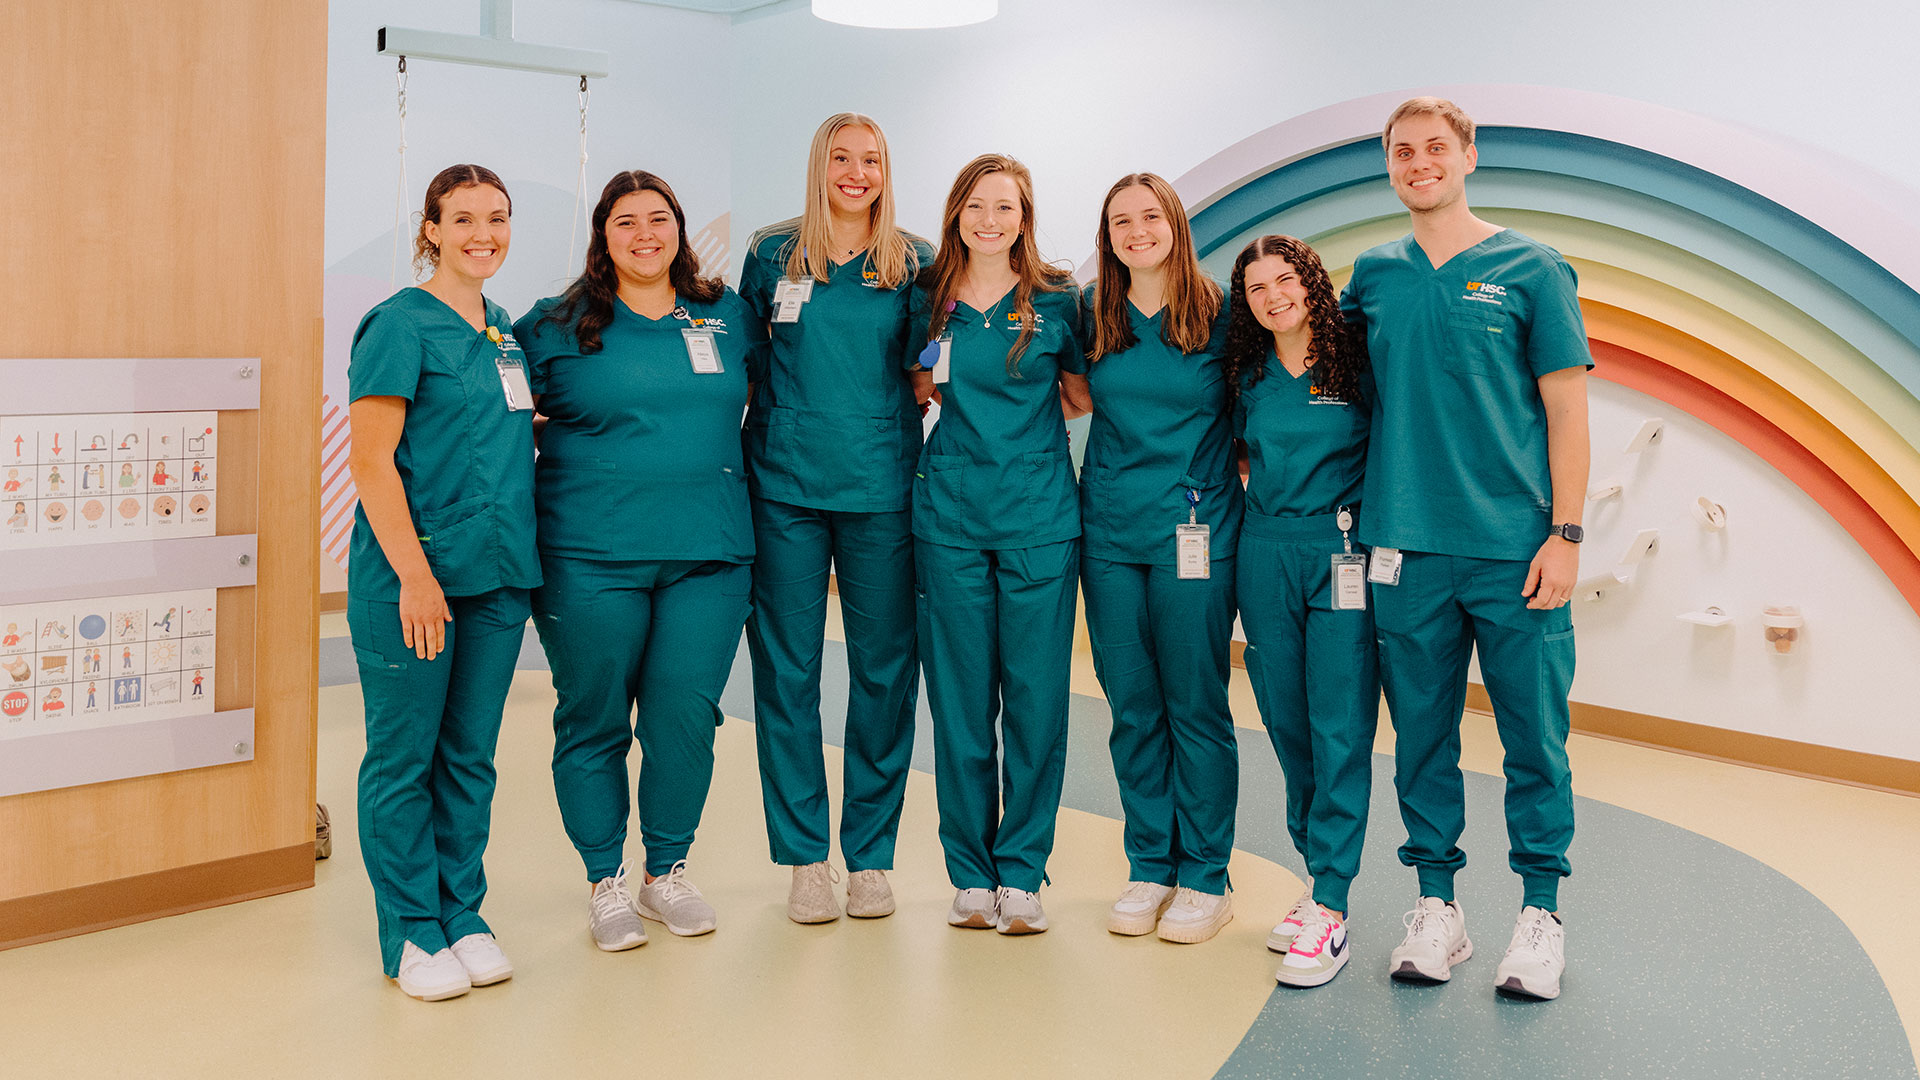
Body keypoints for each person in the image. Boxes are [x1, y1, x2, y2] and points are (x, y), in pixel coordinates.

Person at [1342, 97, 1591, 1000]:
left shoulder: (1531, 267)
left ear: (1469, 155)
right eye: (1403, 152)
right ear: (1391, 164)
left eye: (1435, 148)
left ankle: (1540, 913)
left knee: (1535, 738)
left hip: (1513, 550)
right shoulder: (1373, 275)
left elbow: (1566, 408)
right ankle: (1437, 907)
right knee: (1419, 738)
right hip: (1403, 547)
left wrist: (1565, 535)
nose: (1419, 163)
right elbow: (1336, 393)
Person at [516, 170, 760, 953]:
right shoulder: (553, 326)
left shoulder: (727, 316)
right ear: (603, 236)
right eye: (627, 222)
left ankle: (666, 873)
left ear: (680, 230)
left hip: (710, 555)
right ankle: (604, 882)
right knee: (593, 720)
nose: (646, 234)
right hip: (590, 556)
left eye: (660, 219)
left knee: (684, 719)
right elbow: (491, 429)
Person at [345, 163, 538, 1002]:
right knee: (404, 758)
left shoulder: (502, 331)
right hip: (413, 581)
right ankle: (412, 933)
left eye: (496, 218)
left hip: (495, 579)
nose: (482, 235)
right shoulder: (397, 324)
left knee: (470, 758)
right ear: (430, 229)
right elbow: (371, 464)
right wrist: (416, 578)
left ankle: (463, 914)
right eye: (462, 219)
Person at [738, 114, 931, 924]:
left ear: (888, 171)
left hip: (881, 485)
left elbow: (928, 375)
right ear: (819, 164)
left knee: (885, 673)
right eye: (842, 159)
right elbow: (742, 364)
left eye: (872, 160)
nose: (857, 173)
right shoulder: (772, 254)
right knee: (787, 673)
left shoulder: (915, 262)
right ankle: (805, 859)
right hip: (783, 484)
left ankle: (872, 857)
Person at [908, 153, 1084, 935]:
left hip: (1039, 518)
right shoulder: (927, 300)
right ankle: (971, 873)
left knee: (1038, 700)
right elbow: (914, 383)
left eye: (1005, 207)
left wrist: (1020, 441)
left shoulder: (1057, 298)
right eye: (976, 205)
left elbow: (1078, 393)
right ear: (956, 212)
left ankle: (1022, 870)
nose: (989, 220)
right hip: (948, 516)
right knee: (960, 699)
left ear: (1025, 215)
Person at [1074, 173, 1242, 944]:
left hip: (1194, 532)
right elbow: (1068, 398)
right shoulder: (1093, 313)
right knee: (1132, 703)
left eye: (1150, 217)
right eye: (1120, 221)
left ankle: (1207, 873)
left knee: (1194, 702)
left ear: (1175, 222)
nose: (1136, 231)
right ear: (1107, 236)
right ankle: (1150, 864)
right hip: (1108, 531)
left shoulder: (1221, 313)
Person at [1224, 235, 1378, 987]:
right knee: (1286, 720)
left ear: (1312, 282)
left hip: (1340, 550)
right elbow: (1235, 453)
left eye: (1285, 279)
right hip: (1264, 549)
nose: (1274, 295)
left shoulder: (1356, 359)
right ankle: (1316, 874)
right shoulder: (1247, 371)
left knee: (1339, 722)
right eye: (1257, 288)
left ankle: (1334, 902)